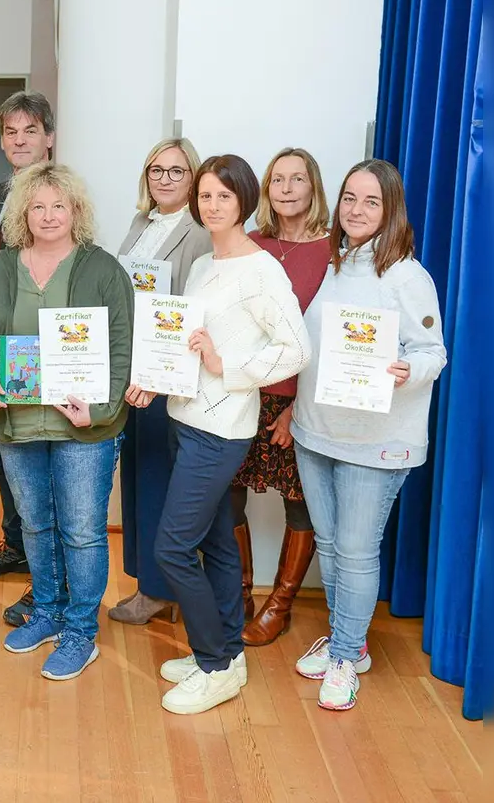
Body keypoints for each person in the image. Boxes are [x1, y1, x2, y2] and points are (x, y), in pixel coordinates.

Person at [137, 154, 308, 716]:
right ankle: (229, 654)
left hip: (222, 429)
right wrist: (156, 381)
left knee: (172, 547)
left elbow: (296, 349)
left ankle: (213, 664)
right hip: (186, 419)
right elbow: (184, 340)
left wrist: (224, 364)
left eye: (223, 197)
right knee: (213, 542)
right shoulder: (207, 263)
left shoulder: (262, 270)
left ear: (244, 202)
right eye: (204, 196)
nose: (211, 206)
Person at [0, 163, 132, 681]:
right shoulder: (1, 268)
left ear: (76, 211)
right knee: (35, 526)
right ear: (22, 214)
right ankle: (49, 612)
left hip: (84, 429)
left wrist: (101, 409)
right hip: (17, 426)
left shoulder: (103, 269)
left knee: (82, 532)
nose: (48, 215)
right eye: (37, 206)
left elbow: (124, 352)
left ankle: (81, 630)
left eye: (59, 205)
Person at [290, 159, 446, 711]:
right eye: (350, 199)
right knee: (330, 545)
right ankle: (345, 645)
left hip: (377, 439)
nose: (356, 210)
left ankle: (346, 653)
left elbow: (433, 353)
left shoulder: (407, 275)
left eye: (371, 202)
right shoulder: (334, 264)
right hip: (317, 430)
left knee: (356, 551)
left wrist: (410, 370)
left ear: (391, 211)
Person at [232, 148, 333, 645]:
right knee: (226, 494)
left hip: (298, 400)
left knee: (300, 505)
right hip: (245, 393)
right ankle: (241, 593)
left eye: (298, 179)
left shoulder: (336, 252)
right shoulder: (251, 244)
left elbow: (330, 340)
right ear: (266, 190)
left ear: (314, 187)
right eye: (277, 180)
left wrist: (299, 407)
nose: (287, 188)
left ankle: (281, 605)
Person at [110, 138, 212, 628]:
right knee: (133, 476)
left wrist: (159, 373)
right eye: (156, 169)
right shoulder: (140, 224)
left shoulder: (201, 232)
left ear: (193, 178)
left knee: (154, 479)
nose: (165, 178)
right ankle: (142, 579)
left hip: (165, 375)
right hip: (130, 369)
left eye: (177, 170)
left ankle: (158, 590)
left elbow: (194, 311)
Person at [0, 92, 56, 620]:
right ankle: (17, 542)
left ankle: (47, 571)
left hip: (42, 348)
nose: (19, 141)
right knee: (3, 448)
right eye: (10, 133)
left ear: (48, 137)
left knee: (39, 457)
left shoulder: (59, 193)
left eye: (29, 131)